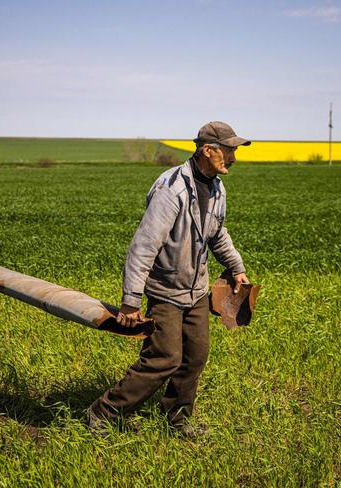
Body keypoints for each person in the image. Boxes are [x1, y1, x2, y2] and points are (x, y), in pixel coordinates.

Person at [87, 121, 251, 437]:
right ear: (208, 150)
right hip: (166, 291)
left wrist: (236, 267)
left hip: (197, 290)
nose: (233, 158)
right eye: (228, 151)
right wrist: (131, 301)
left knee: (195, 356)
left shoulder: (217, 187)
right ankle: (104, 412)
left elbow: (217, 233)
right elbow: (144, 245)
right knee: (163, 359)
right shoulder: (171, 188)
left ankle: (175, 419)